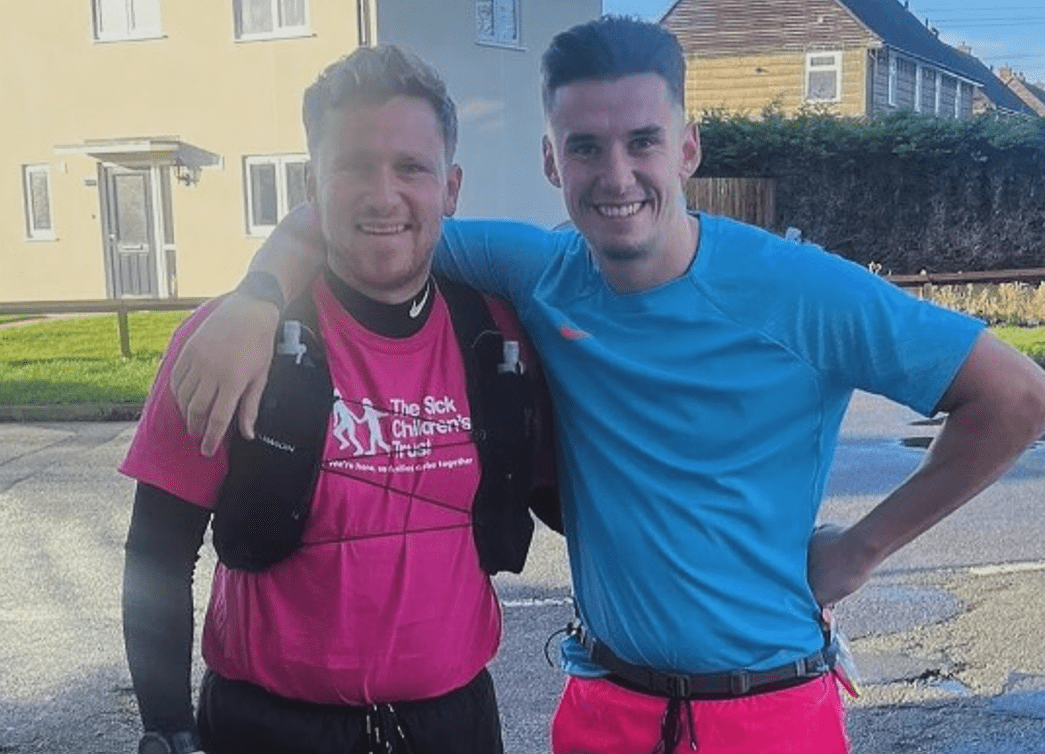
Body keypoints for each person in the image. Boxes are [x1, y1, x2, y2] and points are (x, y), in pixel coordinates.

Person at [168, 16, 1045, 754]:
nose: (615, 176)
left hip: (768, 709)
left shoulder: (800, 290)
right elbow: (368, 216)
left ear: (688, 148)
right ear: (553, 163)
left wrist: (858, 551)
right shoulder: (539, 270)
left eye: (642, 143)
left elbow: (1014, 397)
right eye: (585, 147)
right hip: (603, 708)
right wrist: (256, 296)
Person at [120, 45, 556, 754]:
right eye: (353, 165)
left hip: (455, 727)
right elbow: (157, 555)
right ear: (312, 185)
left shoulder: (499, 337)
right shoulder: (227, 340)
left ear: (450, 186)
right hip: (267, 729)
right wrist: (166, 729)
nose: (383, 195)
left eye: (410, 168)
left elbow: (576, 502)